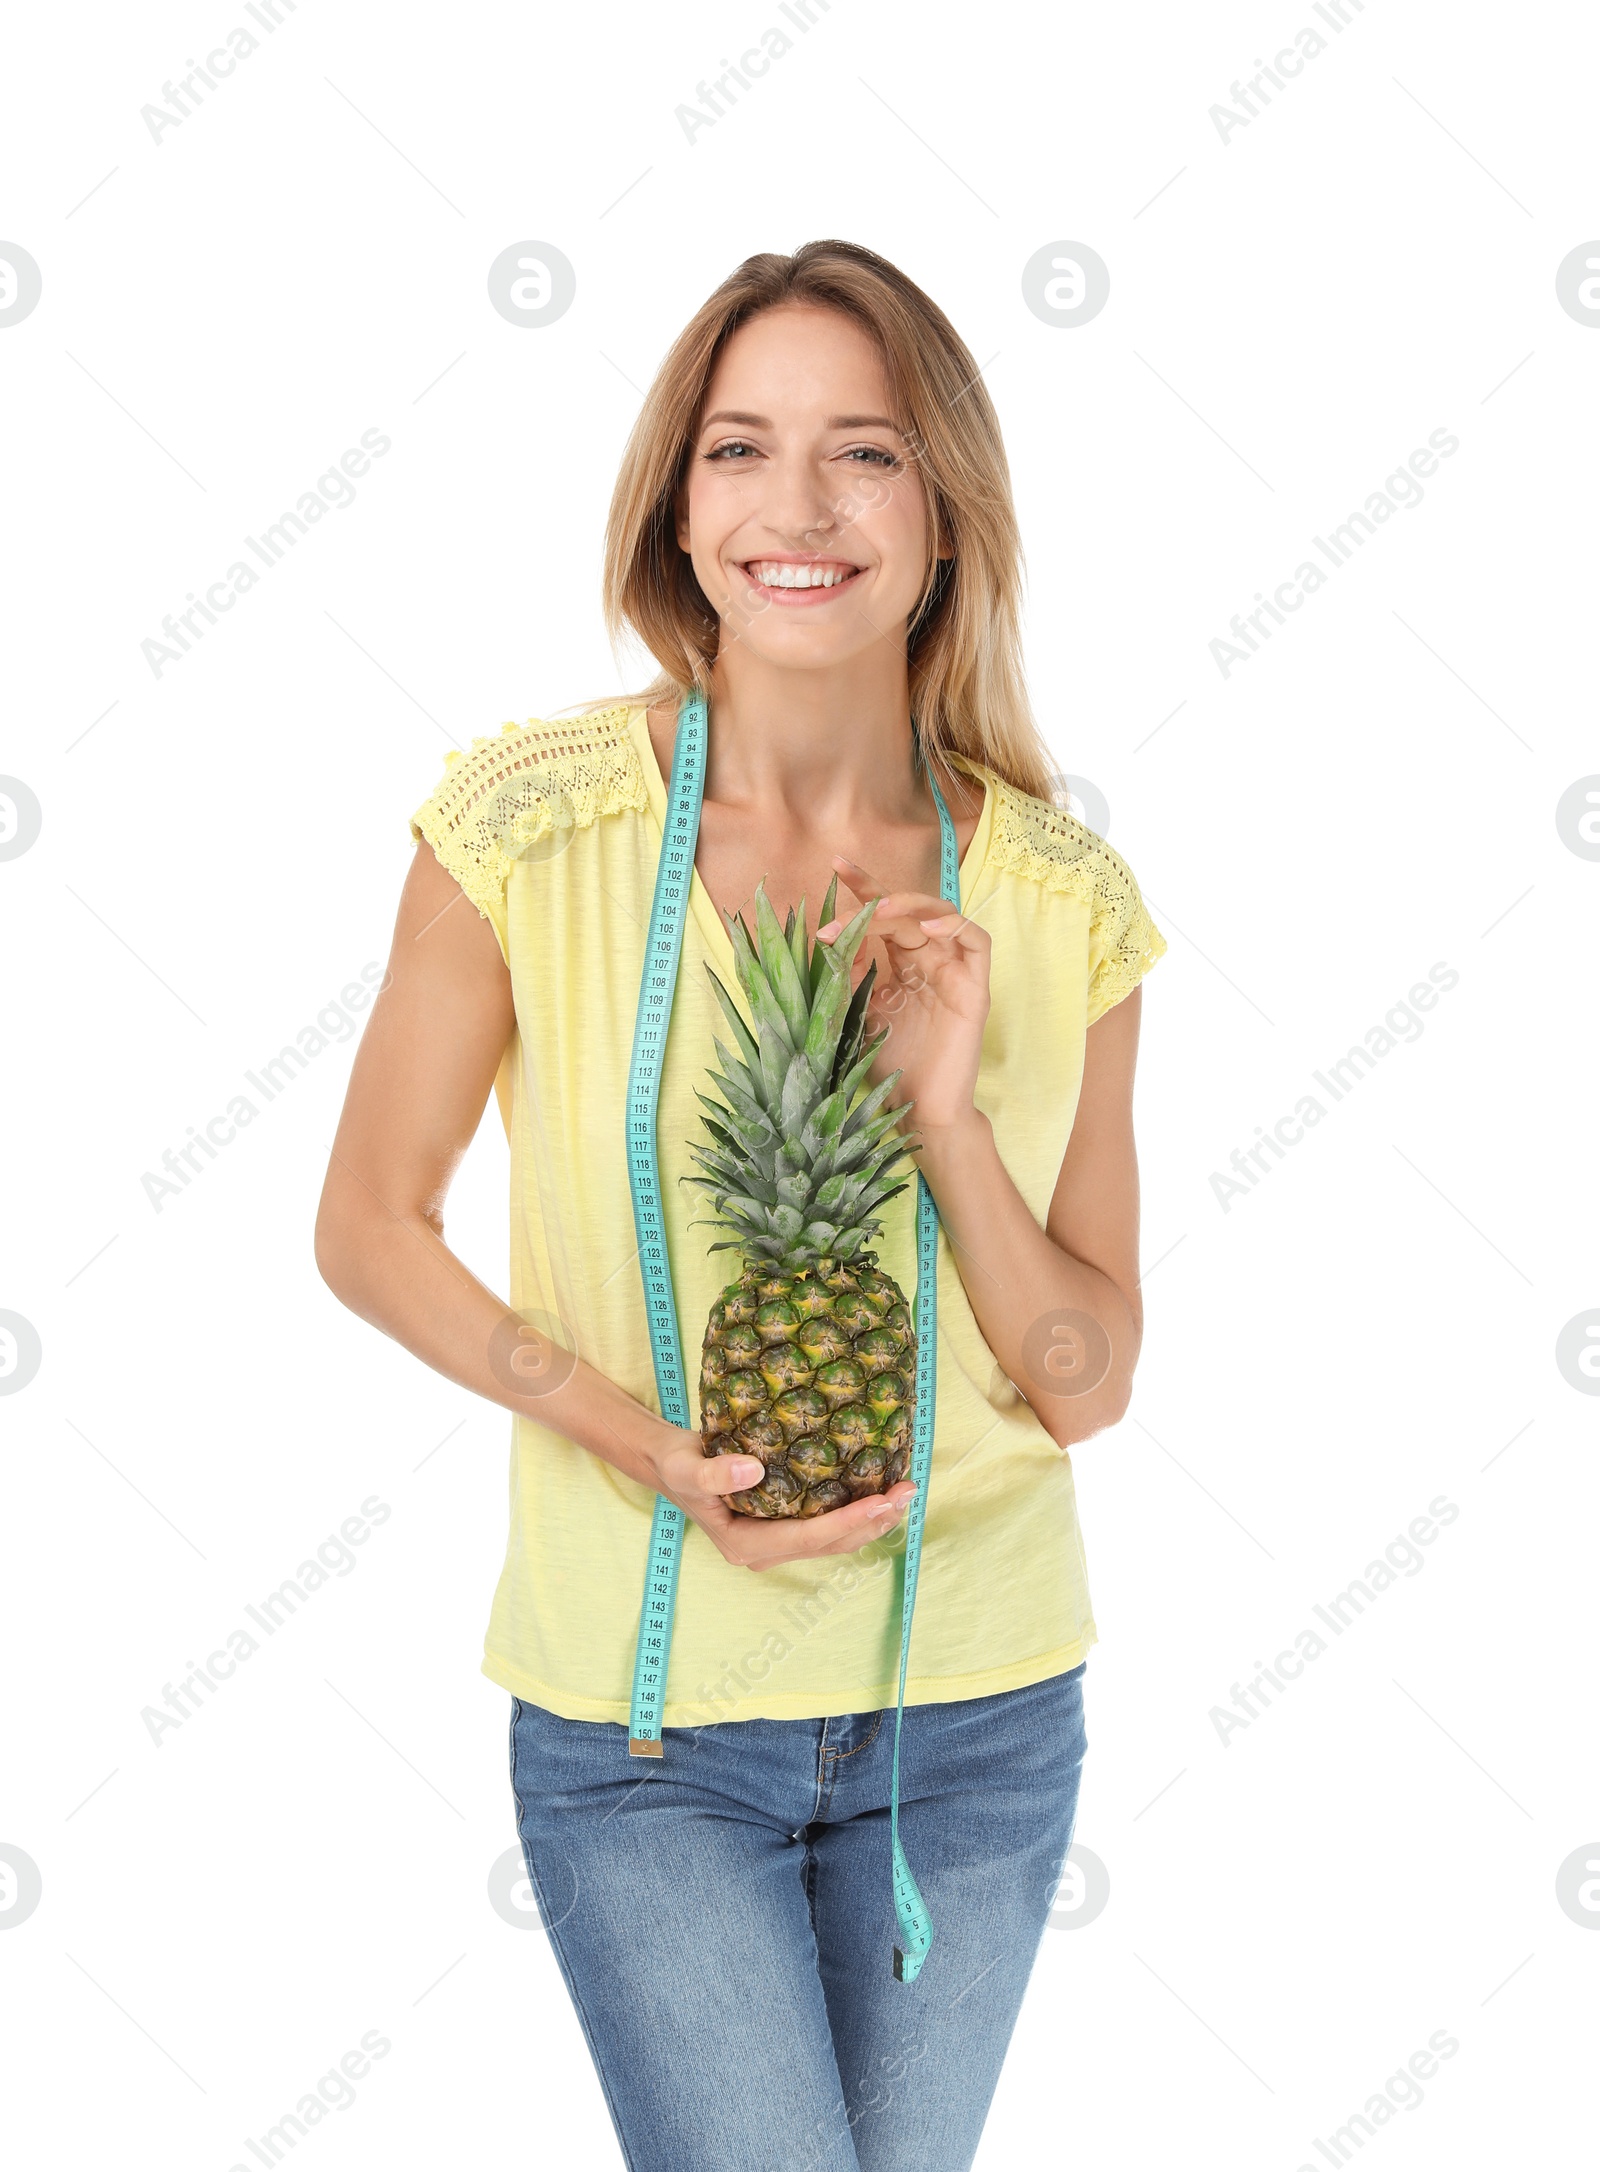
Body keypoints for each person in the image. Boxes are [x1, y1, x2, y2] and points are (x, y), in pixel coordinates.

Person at [315, 239, 1166, 2172]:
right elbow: (369, 1223)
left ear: (942, 513)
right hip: (649, 1737)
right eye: (739, 451)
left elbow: (1086, 1375)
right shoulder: (529, 828)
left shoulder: (1056, 898)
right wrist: (638, 1438)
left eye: (862, 454)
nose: (797, 510)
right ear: (676, 511)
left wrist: (943, 1112)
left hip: (982, 1723)